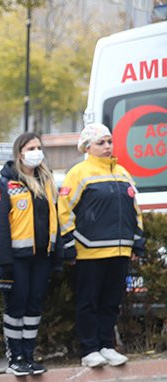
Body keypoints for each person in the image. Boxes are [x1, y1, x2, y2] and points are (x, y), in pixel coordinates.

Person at [58, 123, 144, 368]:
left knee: (111, 302)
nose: (107, 147)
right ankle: (89, 350)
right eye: (101, 143)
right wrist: (68, 244)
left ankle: (107, 345)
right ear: (87, 147)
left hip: (120, 250)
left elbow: (134, 210)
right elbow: (64, 210)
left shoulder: (123, 173)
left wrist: (137, 240)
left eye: (109, 142)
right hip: (90, 251)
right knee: (89, 302)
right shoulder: (78, 173)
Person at [0, 132, 62, 376]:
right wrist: (5, 262)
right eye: (31, 147)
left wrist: (58, 254)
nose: (36, 152)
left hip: (42, 257)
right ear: (20, 152)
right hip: (17, 260)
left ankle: (29, 355)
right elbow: (0, 226)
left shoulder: (47, 181)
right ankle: (15, 356)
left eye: (39, 147)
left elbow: (56, 219)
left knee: (34, 307)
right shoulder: (7, 183)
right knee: (16, 308)